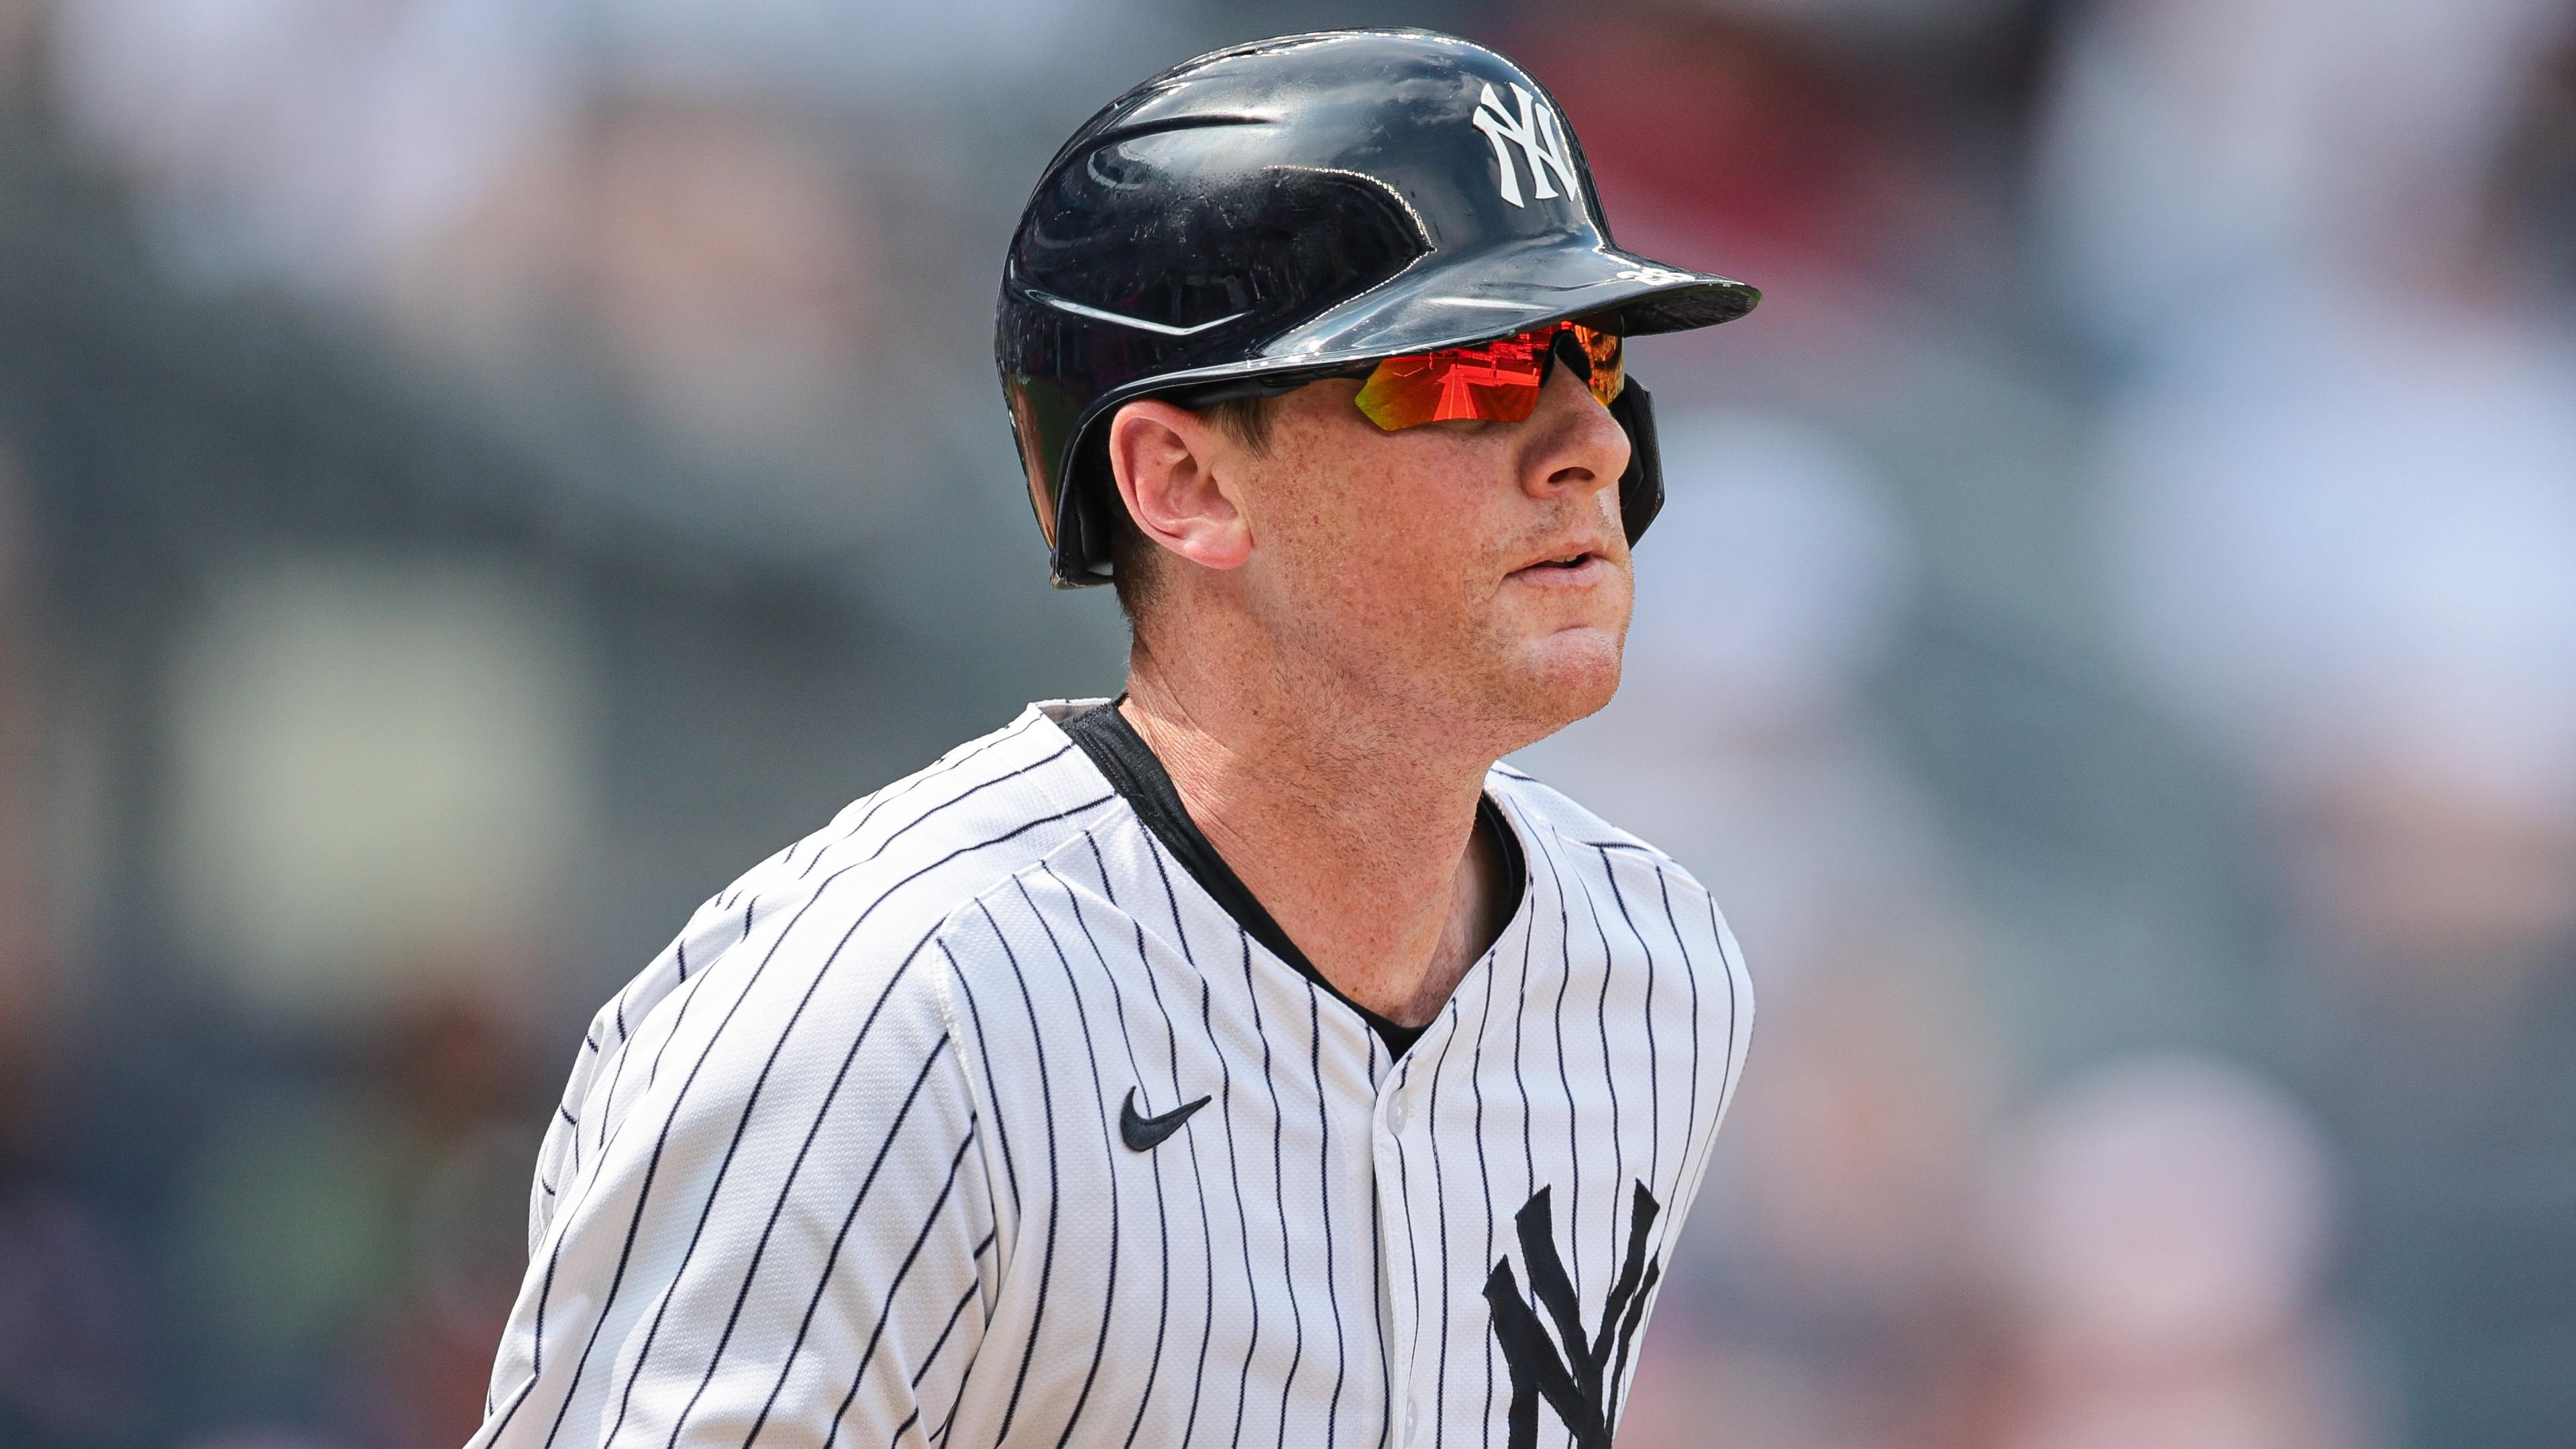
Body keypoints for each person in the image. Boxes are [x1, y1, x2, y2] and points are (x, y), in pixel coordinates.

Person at [469, 28, 1759, 1449]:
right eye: (1467, 370)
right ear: (1184, 479)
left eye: (1587, 353)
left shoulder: (1656, 972)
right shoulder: (889, 1014)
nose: (1594, 439)